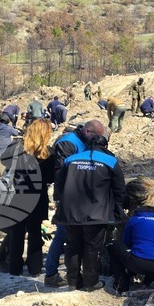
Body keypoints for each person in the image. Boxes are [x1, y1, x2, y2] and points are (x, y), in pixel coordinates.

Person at [53, 131, 126, 290]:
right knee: (92, 248)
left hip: (70, 212)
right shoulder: (110, 161)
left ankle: (73, 282)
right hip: (96, 213)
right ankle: (91, 283)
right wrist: (117, 211)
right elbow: (119, 189)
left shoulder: (71, 159)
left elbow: (59, 182)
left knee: (72, 247)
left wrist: (59, 202)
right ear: (105, 145)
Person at [0, 119, 56, 277]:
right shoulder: (49, 153)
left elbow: (3, 161)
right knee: (35, 233)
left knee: (16, 233)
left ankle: (15, 269)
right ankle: (35, 269)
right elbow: (50, 178)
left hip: (17, 194)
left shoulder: (16, 148)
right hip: (37, 196)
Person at [44, 121, 100, 288]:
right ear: (87, 130)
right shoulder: (68, 143)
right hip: (68, 197)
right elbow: (62, 172)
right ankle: (51, 273)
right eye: (95, 137)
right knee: (62, 234)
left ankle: (72, 271)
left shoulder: (83, 141)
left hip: (78, 196)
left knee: (73, 235)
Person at [108, 188, 154, 295]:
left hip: (139, 263)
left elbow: (126, 243)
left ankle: (121, 285)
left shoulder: (134, 220)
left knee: (113, 246)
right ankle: (151, 280)